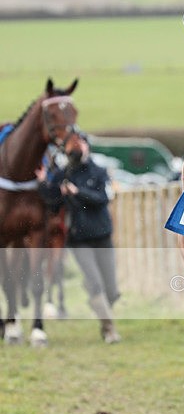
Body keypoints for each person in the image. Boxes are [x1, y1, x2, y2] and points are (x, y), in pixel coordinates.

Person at [36, 131, 121, 343]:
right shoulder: (64, 173)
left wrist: (76, 192)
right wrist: (43, 183)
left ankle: (101, 308)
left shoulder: (99, 171)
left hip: (102, 235)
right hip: (78, 239)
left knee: (111, 289)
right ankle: (109, 329)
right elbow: (52, 202)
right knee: (95, 283)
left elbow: (100, 198)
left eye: (81, 143)